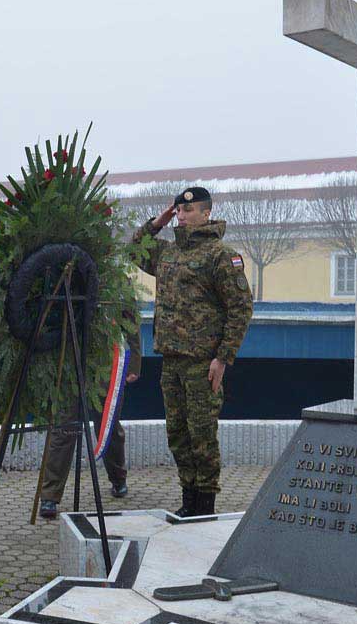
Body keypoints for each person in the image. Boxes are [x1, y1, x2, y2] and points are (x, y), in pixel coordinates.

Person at [131, 186, 253, 517]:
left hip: (203, 363)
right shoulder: (167, 253)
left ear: (206, 213)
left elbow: (240, 309)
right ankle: (188, 501)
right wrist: (156, 224)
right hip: (171, 361)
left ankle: (206, 505)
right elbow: (133, 249)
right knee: (178, 434)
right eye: (178, 211)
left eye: (188, 211)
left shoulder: (220, 256)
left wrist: (223, 358)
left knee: (202, 436)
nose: (182, 216)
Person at [38, 307, 143, 518]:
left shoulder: (115, 277)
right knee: (64, 429)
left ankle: (118, 477)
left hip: (105, 361)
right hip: (69, 362)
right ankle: (50, 495)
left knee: (108, 425)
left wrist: (134, 363)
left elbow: (129, 318)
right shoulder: (65, 277)